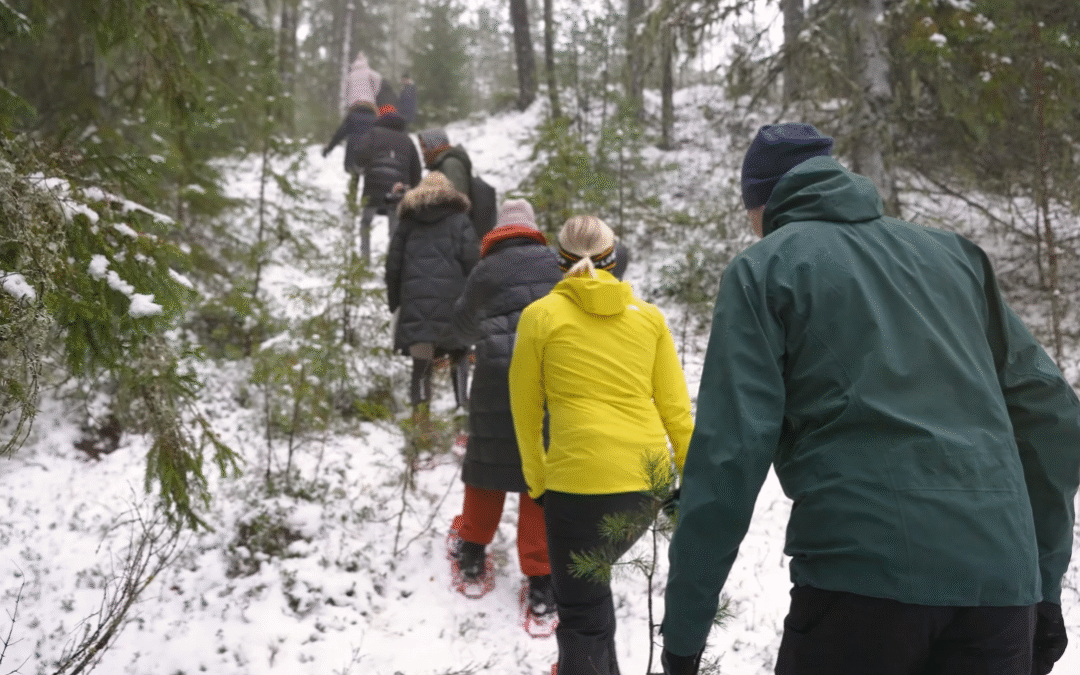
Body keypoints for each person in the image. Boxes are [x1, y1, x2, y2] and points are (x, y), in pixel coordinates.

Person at [661, 123, 1080, 675]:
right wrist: (1043, 585)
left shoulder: (767, 268)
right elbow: (1052, 415)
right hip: (1001, 585)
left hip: (861, 581)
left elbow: (729, 453)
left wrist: (684, 632)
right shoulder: (956, 257)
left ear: (761, 206)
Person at [509, 215, 694, 675]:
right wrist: (690, 484)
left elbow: (525, 413)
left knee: (581, 617)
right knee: (593, 594)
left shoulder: (540, 317)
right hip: (647, 484)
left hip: (577, 486)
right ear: (614, 260)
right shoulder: (649, 318)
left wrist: (537, 482)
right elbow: (676, 412)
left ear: (560, 262)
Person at [450, 199, 563, 613]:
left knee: (486, 466)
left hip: (495, 377)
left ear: (499, 230)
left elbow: (461, 326)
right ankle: (541, 581)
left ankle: (471, 555)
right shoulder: (556, 263)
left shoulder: (485, 270)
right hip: (547, 375)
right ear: (532, 228)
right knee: (539, 475)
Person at [385, 171, 479, 432]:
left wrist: (396, 305)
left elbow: (392, 268)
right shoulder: (460, 221)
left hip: (415, 303)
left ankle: (421, 423)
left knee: (421, 365)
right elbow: (473, 266)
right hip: (455, 305)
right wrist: (474, 306)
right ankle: (461, 410)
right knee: (460, 354)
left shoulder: (407, 224)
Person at [352, 104, 422, 263]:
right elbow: (416, 171)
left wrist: (363, 168)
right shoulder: (407, 140)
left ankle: (364, 261)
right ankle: (393, 264)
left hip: (373, 187)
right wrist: (412, 192)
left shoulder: (373, 134)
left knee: (366, 223)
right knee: (394, 230)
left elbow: (360, 155)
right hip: (397, 191)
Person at [417, 128, 471, 197]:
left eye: (424, 146)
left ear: (435, 144)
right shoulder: (438, 163)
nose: (423, 151)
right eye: (421, 147)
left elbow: (457, 197)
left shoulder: (450, 164)